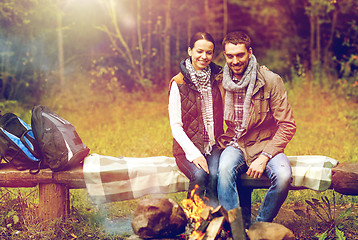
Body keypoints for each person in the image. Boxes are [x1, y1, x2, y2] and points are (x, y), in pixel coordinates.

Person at [217, 31, 296, 225]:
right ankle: (236, 228)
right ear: (225, 55)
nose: (235, 61)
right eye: (230, 56)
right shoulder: (220, 81)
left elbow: (287, 125)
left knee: (284, 176)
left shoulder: (270, 80)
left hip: (265, 143)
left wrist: (264, 157)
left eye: (240, 55)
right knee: (224, 169)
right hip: (235, 144)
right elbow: (197, 69)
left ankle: (259, 226)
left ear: (250, 52)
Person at [168, 32, 223, 207]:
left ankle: (215, 217)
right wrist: (195, 154)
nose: (204, 56)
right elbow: (176, 126)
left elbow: (241, 73)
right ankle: (193, 222)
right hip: (187, 149)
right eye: (199, 51)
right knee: (200, 174)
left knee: (216, 174)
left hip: (213, 145)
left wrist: (263, 71)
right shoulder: (178, 83)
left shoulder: (218, 77)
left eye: (209, 52)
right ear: (190, 51)